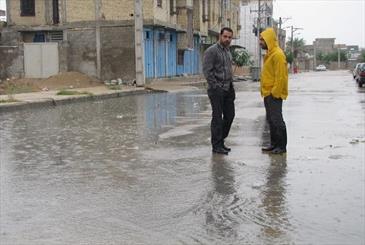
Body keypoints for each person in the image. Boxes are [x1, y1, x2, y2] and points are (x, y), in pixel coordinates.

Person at [203, 27, 236, 155]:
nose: (227, 39)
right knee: (217, 118)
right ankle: (216, 146)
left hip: (228, 89)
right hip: (216, 90)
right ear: (220, 36)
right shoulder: (212, 51)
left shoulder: (228, 51)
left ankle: (221, 140)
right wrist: (216, 86)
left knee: (230, 116)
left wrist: (231, 87)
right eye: (225, 37)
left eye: (229, 37)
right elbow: (207, 71)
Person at [259, 28, 288, 154]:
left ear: (269, 40)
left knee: (277, 120)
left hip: (273, 94)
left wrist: (275, 93)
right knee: (271, 120)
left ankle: (281, 147)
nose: (260, 42)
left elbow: (281, 76)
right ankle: (274, 144)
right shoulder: (270, 54)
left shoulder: (278, 54)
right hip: (267, 93)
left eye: (262, 39)